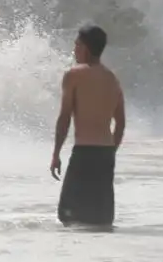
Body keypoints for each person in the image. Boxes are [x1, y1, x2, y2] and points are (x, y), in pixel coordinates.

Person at [50, 24, 126, 227]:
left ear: (85, 47)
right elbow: (120, 123)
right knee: (100, 220)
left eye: (77, 45)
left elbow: (64, 118)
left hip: (84, 153)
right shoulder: (113, 79)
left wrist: (56, 153)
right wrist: (112, 151)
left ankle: (74, 256)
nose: (74, 49)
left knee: (68, 216)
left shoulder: (74, 75)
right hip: (105, 154)